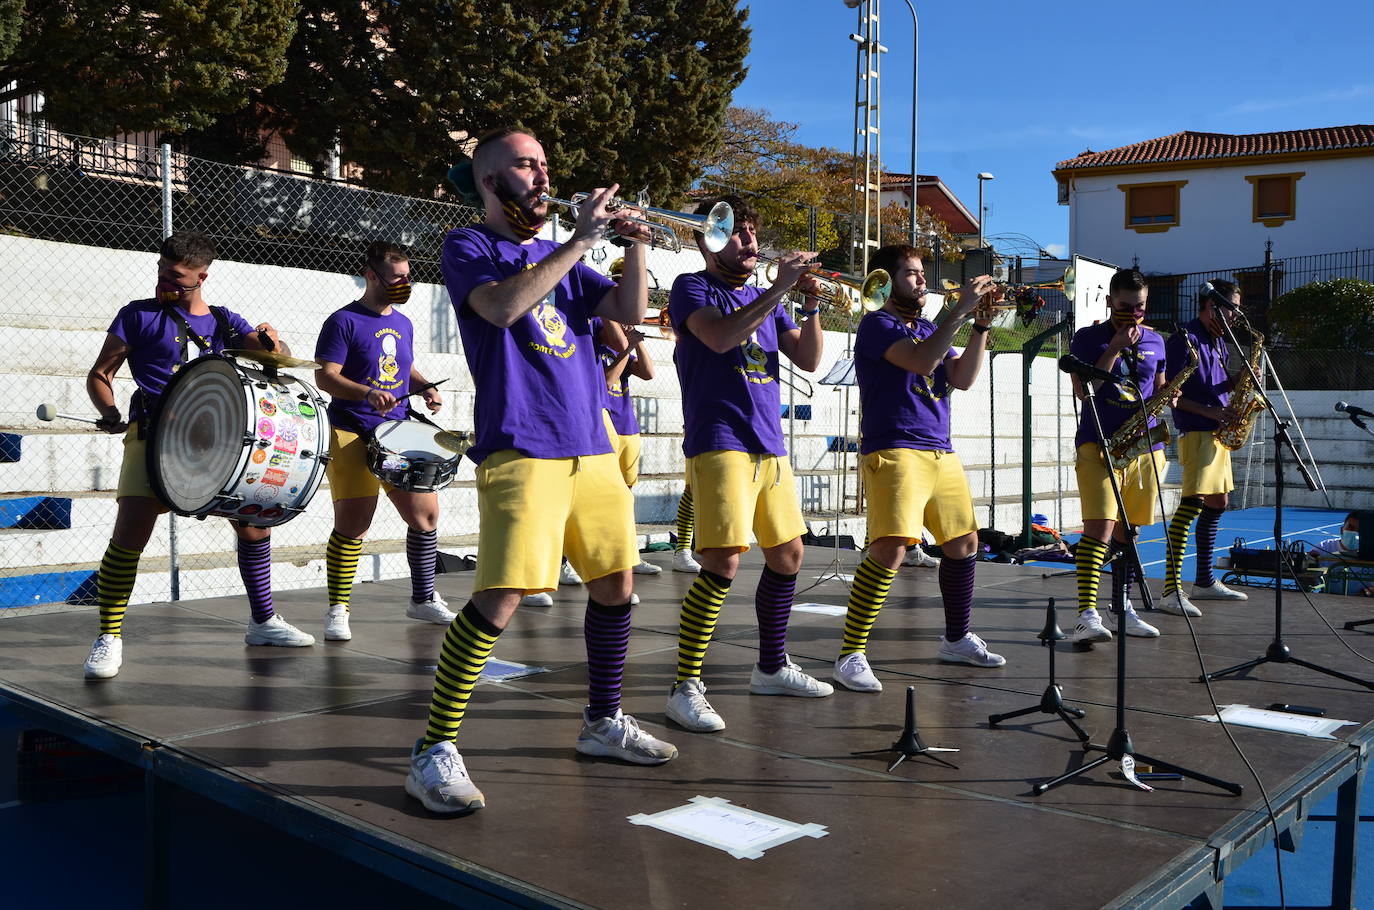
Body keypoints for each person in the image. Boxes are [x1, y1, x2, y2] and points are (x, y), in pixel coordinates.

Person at [404, 127, 676, 815]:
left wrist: (635, 242)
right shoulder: (470, 245)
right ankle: (432, 750)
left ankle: (603, 722)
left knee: (616, 587)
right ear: (492, 181)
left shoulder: (562, 258)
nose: (543, 174)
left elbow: (625, 310)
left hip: (592, 442)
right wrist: (580, 240)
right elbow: (501, 308)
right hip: (523, 443)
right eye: (528, 164)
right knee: (503, 596)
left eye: (546, 163)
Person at [83, 231, 314, 679]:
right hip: (153, 436)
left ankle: (263, 621)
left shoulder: (225, 321)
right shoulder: (138, 315)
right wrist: (109, 411)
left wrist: (274, 342)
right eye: (161, 272)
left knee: (253, 524)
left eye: (177, 278)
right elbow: (100, 373)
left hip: (216, 440)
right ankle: (108, 636)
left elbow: (278, 358)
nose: (164, 282)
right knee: (130, 535)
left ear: (202, 277)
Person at [662, 194, 833, 735]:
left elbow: (807, 359)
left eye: (754, 233)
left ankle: (772, 665)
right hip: (720, 439)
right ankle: (685, 686)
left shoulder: (767, 298)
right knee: (722, 562)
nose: (751, 242)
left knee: (788, 555)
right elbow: (717, 336)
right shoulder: (692, 286)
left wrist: (807, 305)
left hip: (768, 443)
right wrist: (780, 287)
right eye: (738, 233)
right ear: (708, 240)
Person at [832, 245, 1006, 692]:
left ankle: (956, 638)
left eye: (921, 273)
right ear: (887, 282)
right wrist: (960, 312)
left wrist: (981, 325)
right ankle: (851, 654)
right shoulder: (877, 324)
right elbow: (921, 361)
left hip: (939, 447)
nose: (923, 281)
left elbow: (962, 378)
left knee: (964, 543)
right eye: (911, 274)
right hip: (895, 447)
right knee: (890, 548)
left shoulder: (929, 326)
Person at [313, 241, 457, 642]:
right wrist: (365, 392)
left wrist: (425, 385)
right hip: (350, 431)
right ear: (372, 275)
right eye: (397, 277)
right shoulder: (343, 321)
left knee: (425, 516)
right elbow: (325, 376)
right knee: (354, 525)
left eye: (407, 276)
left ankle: (423, 598)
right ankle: (338, 609)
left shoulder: (404, 323)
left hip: (395, 433)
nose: (404, 283)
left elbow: (403, 366)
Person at [1068, 267, 1167, 643]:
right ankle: (1086, 615)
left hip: (1142, 447)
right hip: (1099, 444)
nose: (1133, 314)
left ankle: (1120, 607)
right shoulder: (1087, 338)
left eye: (1139, 307)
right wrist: (1113, 348)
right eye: (1125, 306)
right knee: (1099, 528)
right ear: (1109, 302)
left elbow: (1157, 385)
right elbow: (1085, 389)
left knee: (1128, 531)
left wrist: (1167, 395)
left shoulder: (1157, 341)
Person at [1160, 280, 1249, 615]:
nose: (1236, 316)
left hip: (1217, 432)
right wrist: (1210, 411)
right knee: (1191, 505)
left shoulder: (1218, 340)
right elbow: (1171, 393)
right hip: (1197, 431)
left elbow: (1213, 385)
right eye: (1232, 309)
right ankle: (1172, 590)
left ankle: (1204, 581)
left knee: (1218, 501)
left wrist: (1237, 381)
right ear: (1212, 306)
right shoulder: (1185, 339)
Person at [594, 312, 662, 579]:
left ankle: (628, 555)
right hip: (604, 424)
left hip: (627, 427)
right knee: (603, 497)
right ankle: (583, 558)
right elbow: (607, 381)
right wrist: (628, 348)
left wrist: (638, 342)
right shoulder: (592, 348)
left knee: (626, 497)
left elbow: (648, 373)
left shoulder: (618, 347)